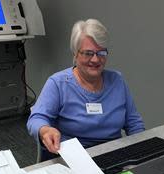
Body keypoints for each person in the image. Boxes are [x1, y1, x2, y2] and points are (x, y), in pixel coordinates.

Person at [27, 18, 145, 161]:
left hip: (114, 156)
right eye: (88, 53)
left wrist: (141, 152)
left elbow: (134, 123)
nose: (95, 60)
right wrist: (45, 130)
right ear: (75, 54)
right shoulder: (58, 83)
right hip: (74, 158)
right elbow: (36, 119)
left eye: (101, 53)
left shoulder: (117, 80)